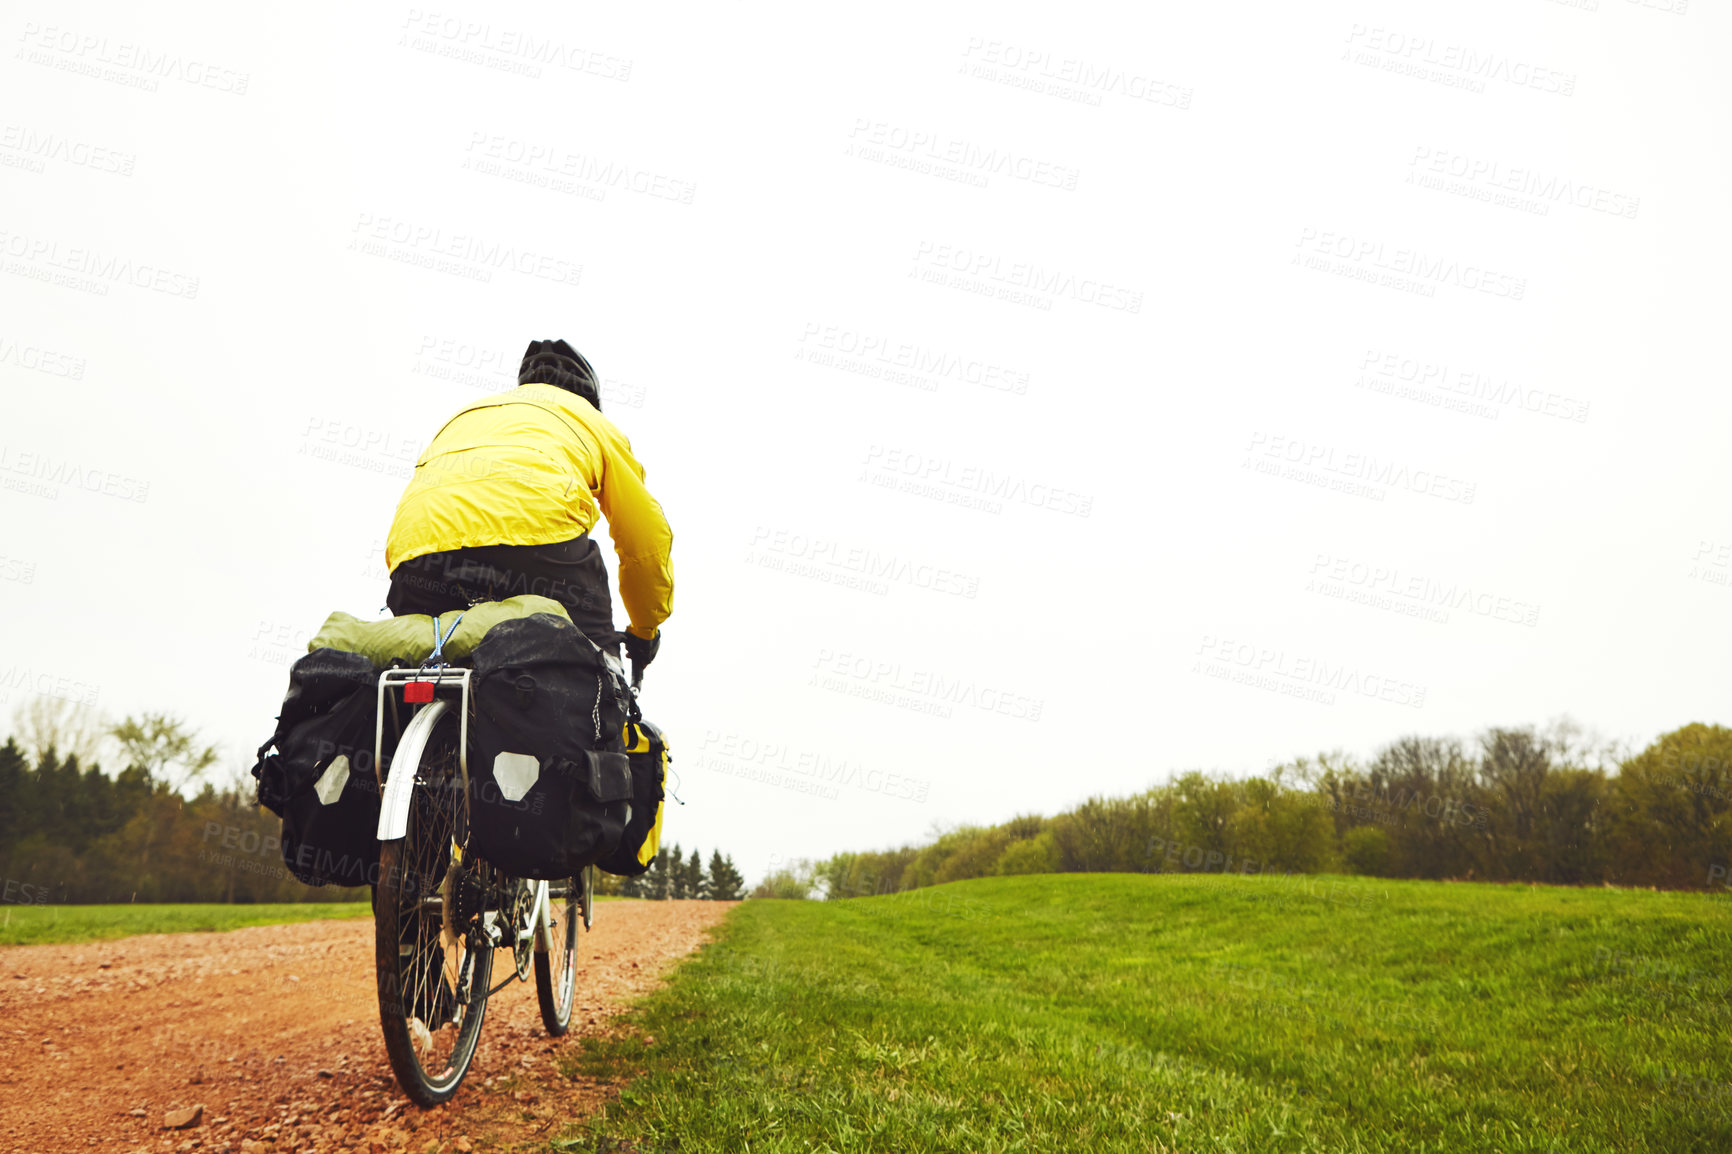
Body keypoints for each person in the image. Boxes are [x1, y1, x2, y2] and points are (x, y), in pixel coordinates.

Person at [383, 339, 672, 672]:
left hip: (419, 547)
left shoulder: (473, 412)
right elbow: (644, 537)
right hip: (537, 540)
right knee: (595, 667)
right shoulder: (593, 422)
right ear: (589, 398)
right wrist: (644, 630)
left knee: (418, 666)